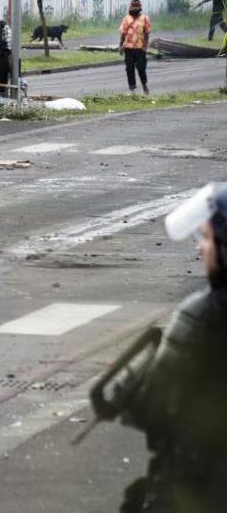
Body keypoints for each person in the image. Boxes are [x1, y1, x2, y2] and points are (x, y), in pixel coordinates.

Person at [116, 183, 227, 513]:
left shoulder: (203, 315)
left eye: (206, 238)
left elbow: (153, 403)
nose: (200, 249)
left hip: (202, 480)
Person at [119, 0, 151, 95]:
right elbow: (123, 33)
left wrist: (145, 46)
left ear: (140, 7)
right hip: (128, 48)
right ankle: (132, 89)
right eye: (133, 6)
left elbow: (147, 33)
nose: (135, 8)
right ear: (130, 7)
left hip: (140, 48)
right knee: (129, 68)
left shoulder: (145, 18)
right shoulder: (126, 18)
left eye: (137, 6)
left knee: (141, 68)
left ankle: (144, 85)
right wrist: (121, 45)